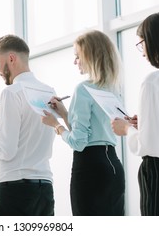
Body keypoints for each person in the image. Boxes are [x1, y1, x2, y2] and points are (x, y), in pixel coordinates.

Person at [111, 12, 159, 216]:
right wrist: (144, 125)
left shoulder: (154, 82)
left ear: (153, 42)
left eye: (141, 43)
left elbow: (150, 145)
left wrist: (127, 129)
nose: (141, 51)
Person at [0, 34, 55, 216]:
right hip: (44, 189)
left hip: (16, 191)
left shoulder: (11, 93)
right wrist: (2, 115)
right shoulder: (49, 91)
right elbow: (30, 128)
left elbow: (6, 150)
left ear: (11, 58)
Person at [41, 30, 125, 216]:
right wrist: (64, 112)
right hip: (113, 166)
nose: (75, 61)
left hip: (89, 168)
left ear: (90, 56)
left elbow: (79, 142)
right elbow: (91, 131)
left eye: (77, 56)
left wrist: (56, 125)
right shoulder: (114, 89)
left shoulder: (83, 89)